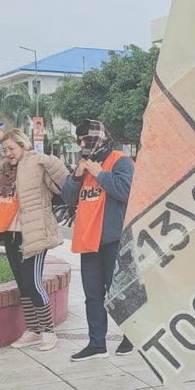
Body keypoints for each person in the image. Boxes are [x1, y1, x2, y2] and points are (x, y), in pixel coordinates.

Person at [0, 128, 69, 351]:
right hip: (10, 233)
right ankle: (33, 330)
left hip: (34, 232)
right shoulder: (1, 166)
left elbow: (63, 184)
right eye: (4, 149)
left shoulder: (37, 163)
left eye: (11, 148)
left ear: (23, 145)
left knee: (33, 283)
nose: (8, 153)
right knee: (23, 285)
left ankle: (48, 331)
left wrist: (48, 161)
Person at [62, 120, 134, 361]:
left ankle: (132, 337)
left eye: (85, 139)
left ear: (98, 138)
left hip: (114, 238)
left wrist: (99, 173)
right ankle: (96, 343)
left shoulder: (120, 160)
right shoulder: (82, 164)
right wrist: (77, 175)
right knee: (93, 294)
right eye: (79, 140)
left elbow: (125, 190)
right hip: (88, 239)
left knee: (120, 291)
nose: (82, 144)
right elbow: (67, 197)